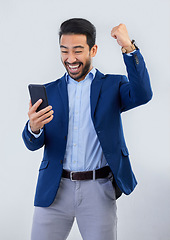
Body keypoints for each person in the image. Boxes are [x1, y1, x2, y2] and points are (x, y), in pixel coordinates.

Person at [22, 18, 152, 240]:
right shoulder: (49, 91)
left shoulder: (113, 85)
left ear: (93, 50)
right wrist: (33, 128)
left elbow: (143, 94)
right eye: (64, 51)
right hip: (54, 189)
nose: (70, 59)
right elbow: (33, 144)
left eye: (78, 51)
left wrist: (128, 47)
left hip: (98, 190)